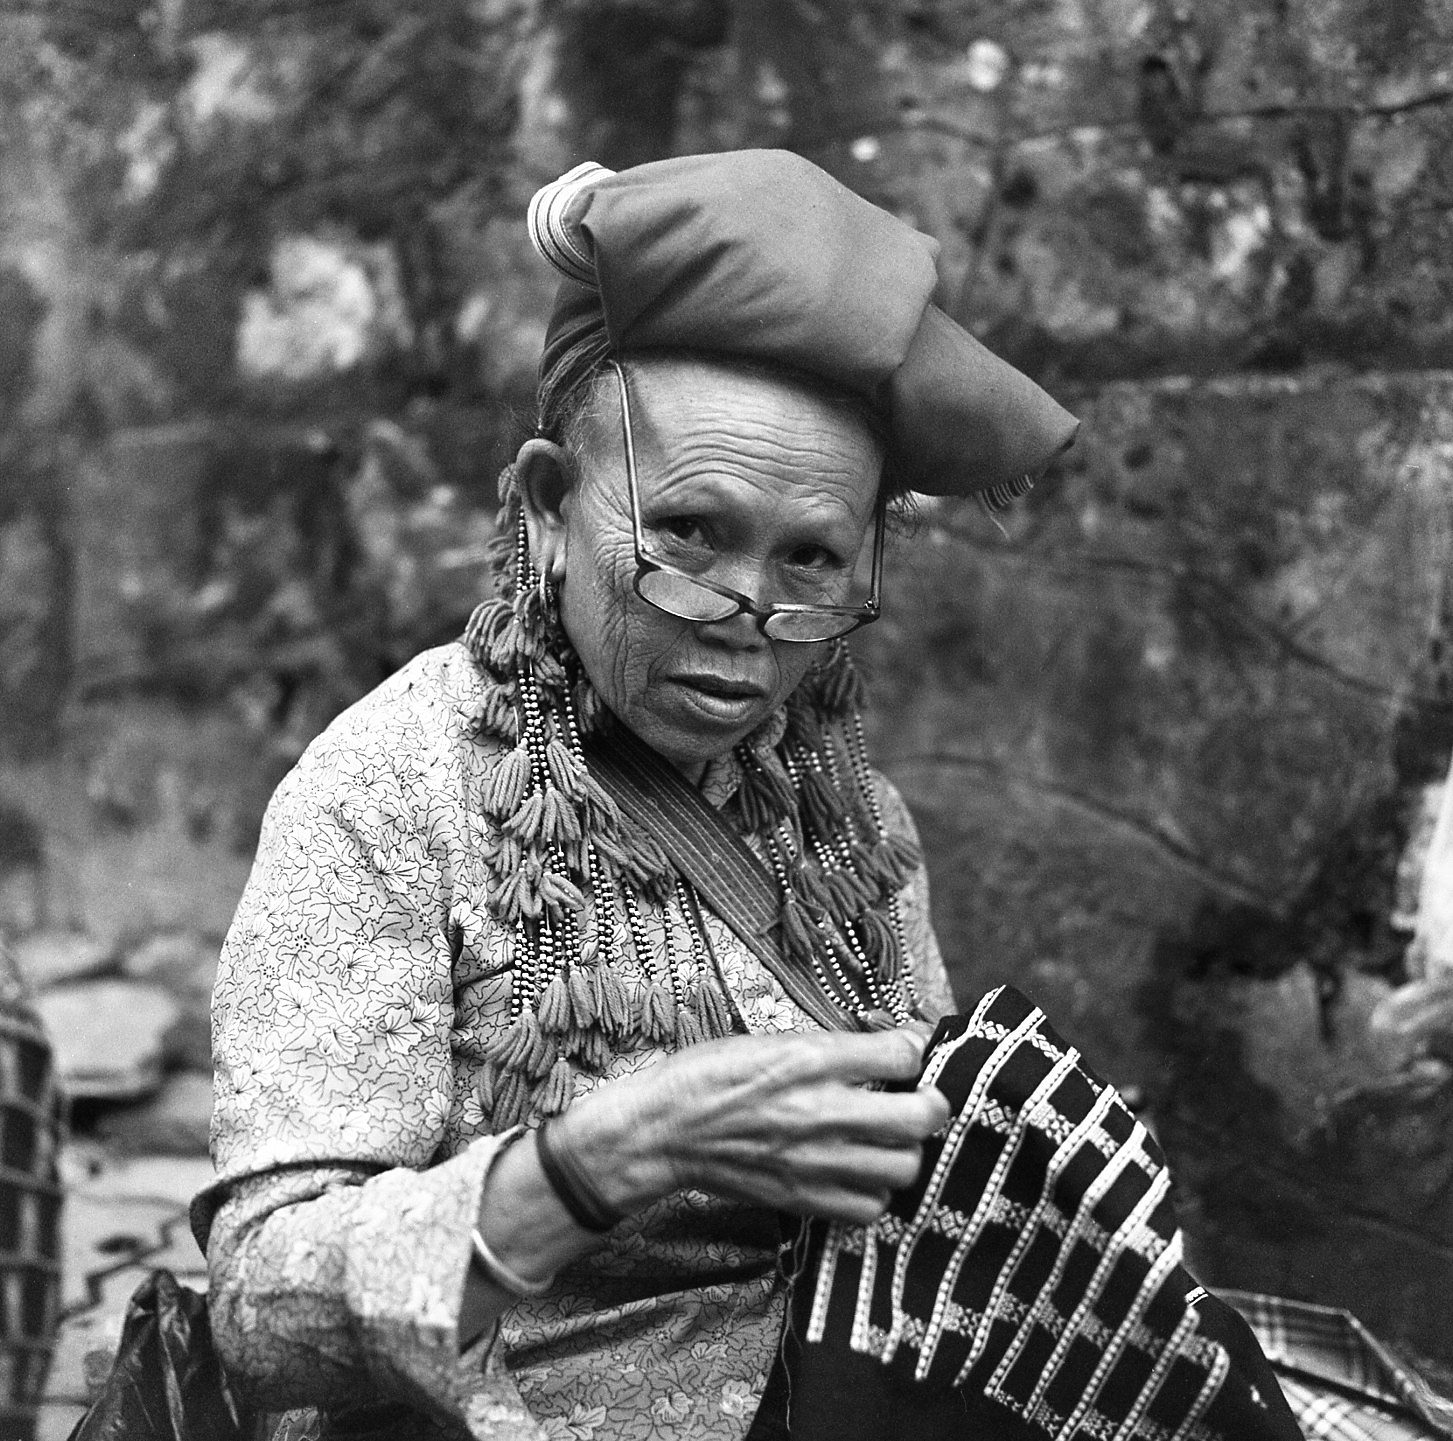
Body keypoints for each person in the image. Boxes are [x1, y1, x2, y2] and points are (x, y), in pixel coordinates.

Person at [192, 151, 1298, 1441]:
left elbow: (914, 1229)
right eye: (692, 536)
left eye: (811, 562)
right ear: (553, 506)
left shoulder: (857, 825)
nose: (743, 620)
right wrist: (602, 1162)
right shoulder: (392, 794)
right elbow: (265, 1315)